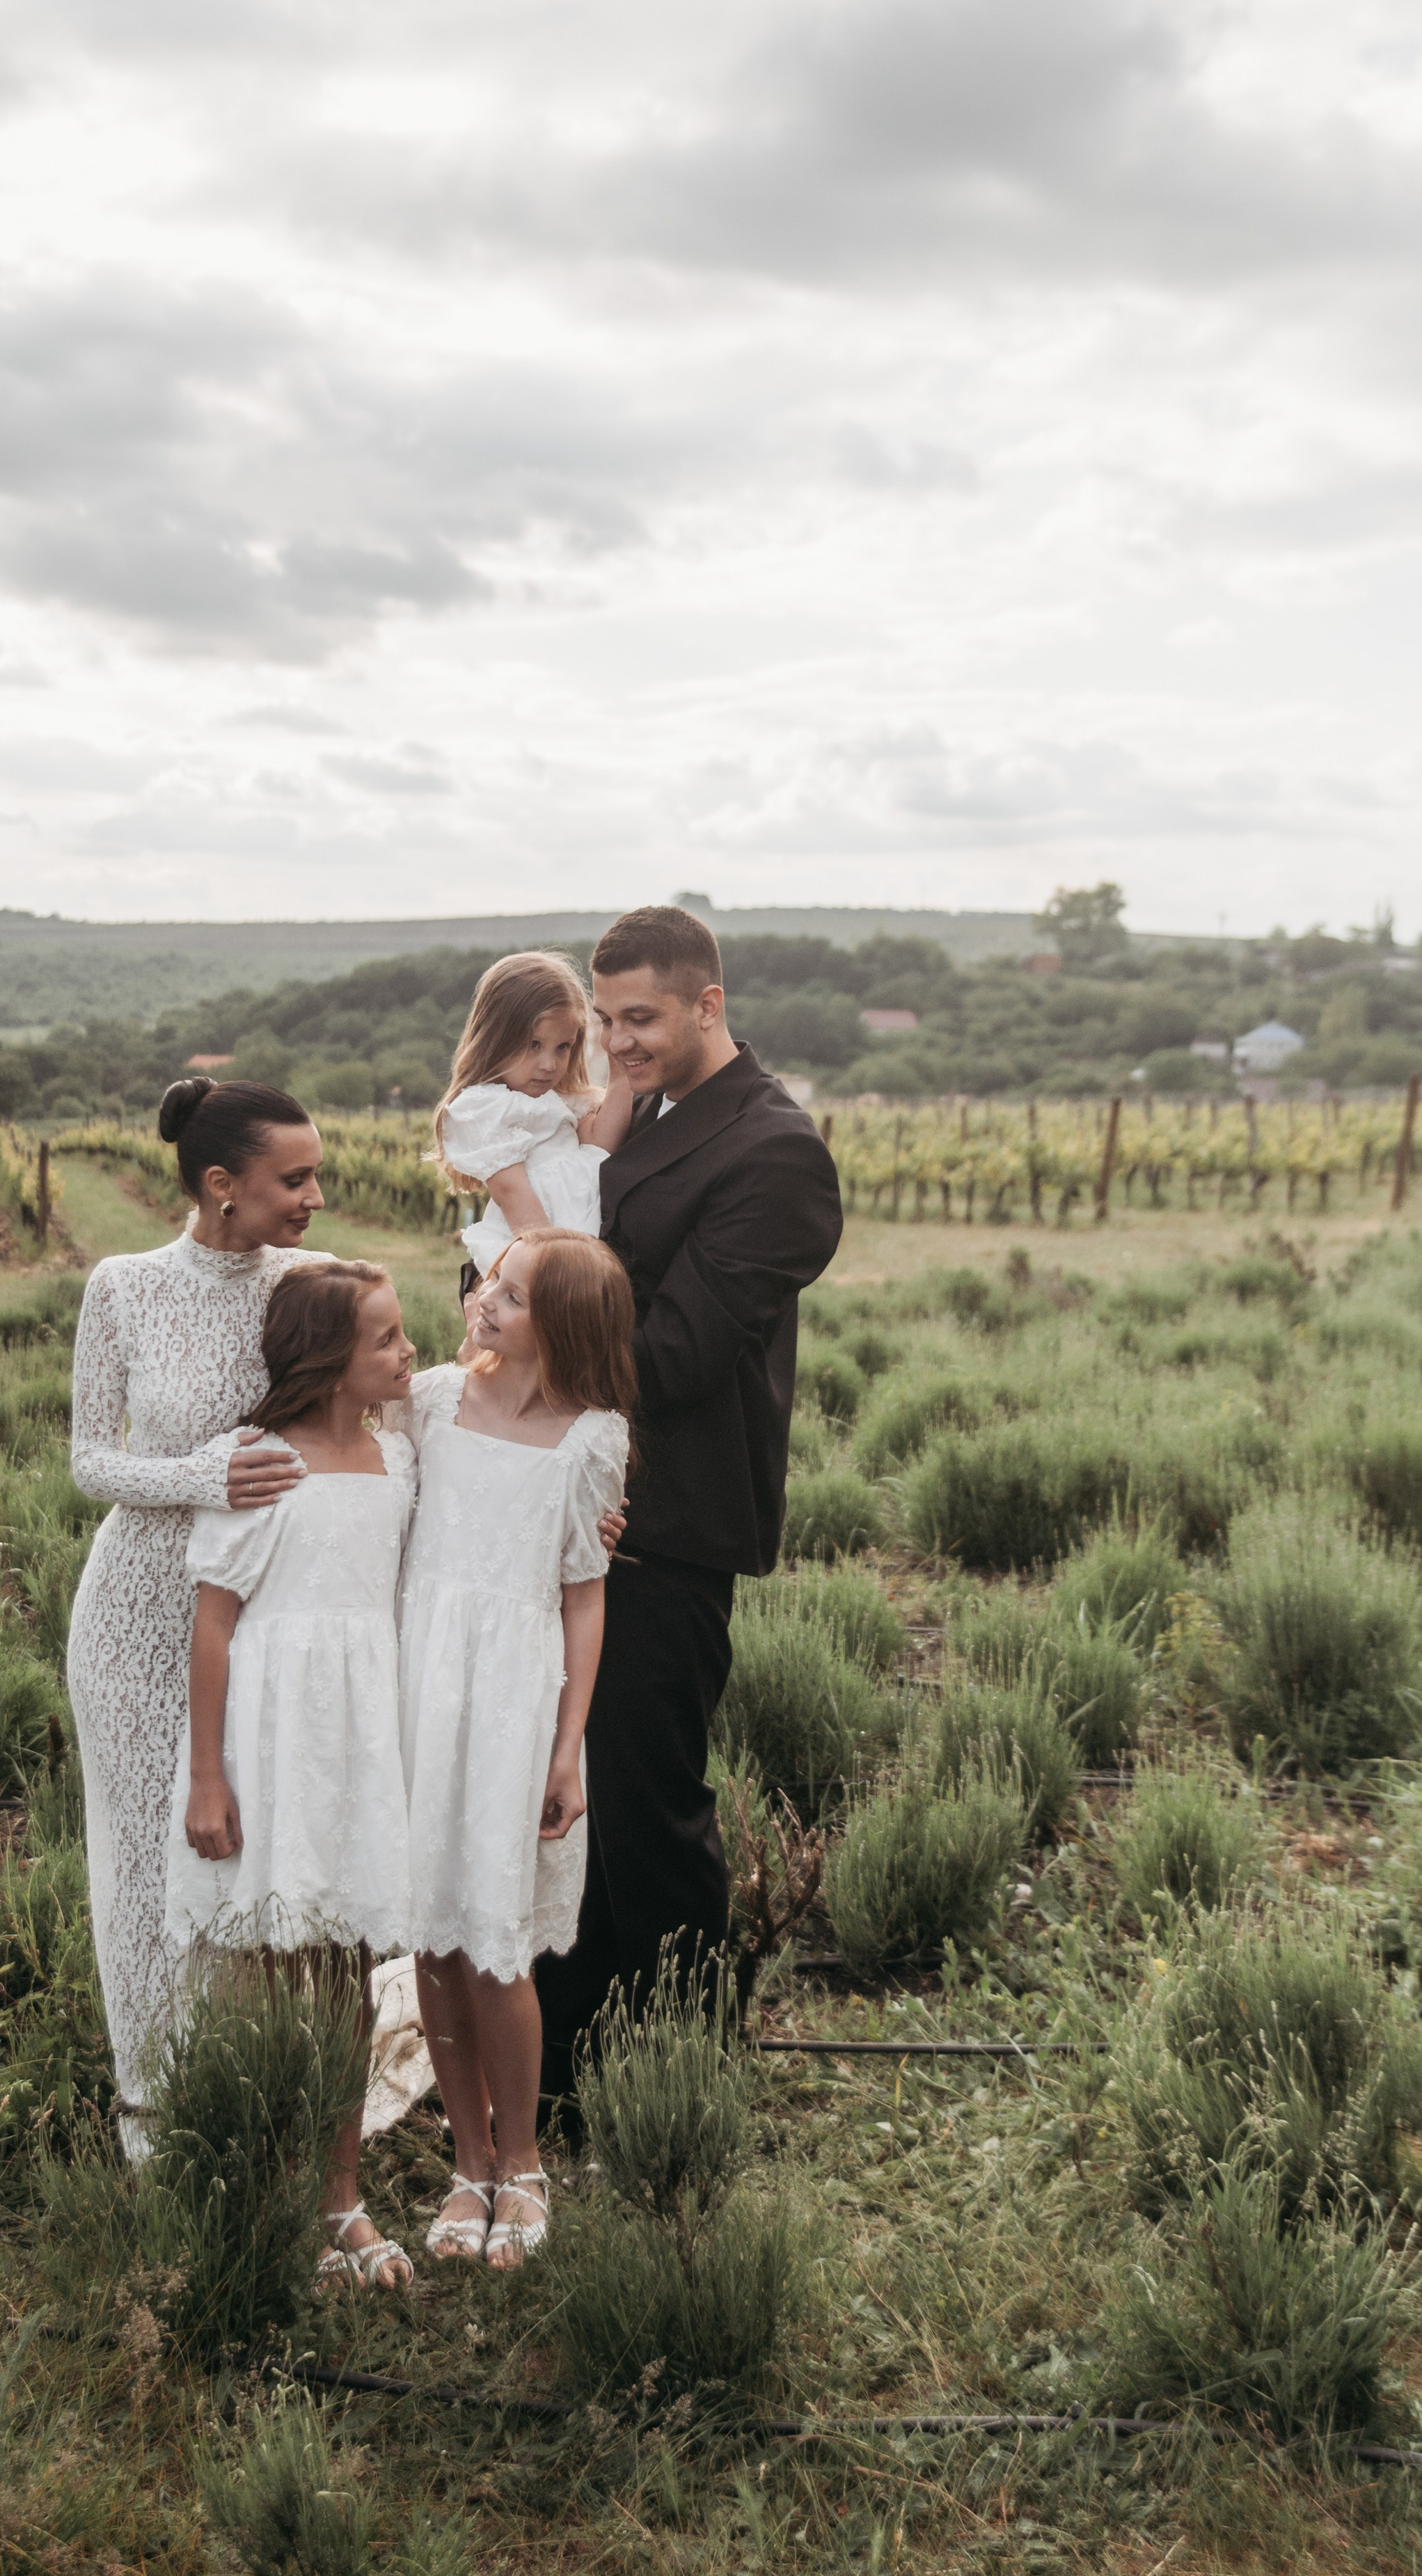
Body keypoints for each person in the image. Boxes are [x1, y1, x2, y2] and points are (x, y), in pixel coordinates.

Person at [533, 905, 845, 2116]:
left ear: (709, 1004)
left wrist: (520, 1330)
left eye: (641, 1018)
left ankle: (674, 2080)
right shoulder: (636, 1115)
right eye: (604, 1019)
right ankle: (563, 2066)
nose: (616, 1042)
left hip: (660, 1523)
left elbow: (676, 1353)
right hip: (565, 1510)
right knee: (567, 1804)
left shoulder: (774, 1152)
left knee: (648, 1808)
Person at [67, 1076, 327, 2160]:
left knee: (248, 1856)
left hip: (272, 1617)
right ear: (221, 1186)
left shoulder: (319, 1284)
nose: (317, 1195)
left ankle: (242, 2092)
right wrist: (202, 1477)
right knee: (138, 1864)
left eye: (318, 1173)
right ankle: (149, 2113)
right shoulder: (122, 1286)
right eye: (294, 1178)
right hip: (135, 1615)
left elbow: (395, 1412)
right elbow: (90, 1461)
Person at [166, 1257, 419, 2291]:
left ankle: (341, 2191)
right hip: (276, 1732)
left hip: (364, 1730)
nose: (410, 1354)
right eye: (389, 1341)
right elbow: (214, 1627)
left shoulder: (399, 1458)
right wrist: (208, 1779)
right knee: (275, 1965)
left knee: (352, 1966)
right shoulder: (261, 1463)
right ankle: (268, 2185)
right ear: (329, 1364)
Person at [393, 1228, 633, 2266]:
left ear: (566, 1326)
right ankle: (468, 2162)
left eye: (516, 1293)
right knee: (437, 1940)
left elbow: (586, 1594)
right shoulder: (433, 1401)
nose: (486, 1298)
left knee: (497, 1942)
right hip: (418, 1683)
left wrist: (567, 1744)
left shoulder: (594, 1441)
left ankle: (524, 2161)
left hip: (513, 1701)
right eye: (491, 1278)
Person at [432, 950, 633, 1296]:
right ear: (496, 1038)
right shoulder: (487, 1107)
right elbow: (513, 1194)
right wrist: (550, 1272)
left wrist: (622, 1069)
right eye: (534, 1045)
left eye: (563, 1047)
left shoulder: (562, 1100)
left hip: (576, 1247)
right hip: (536, 1250)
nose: (549, 1064)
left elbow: (600, 1145)